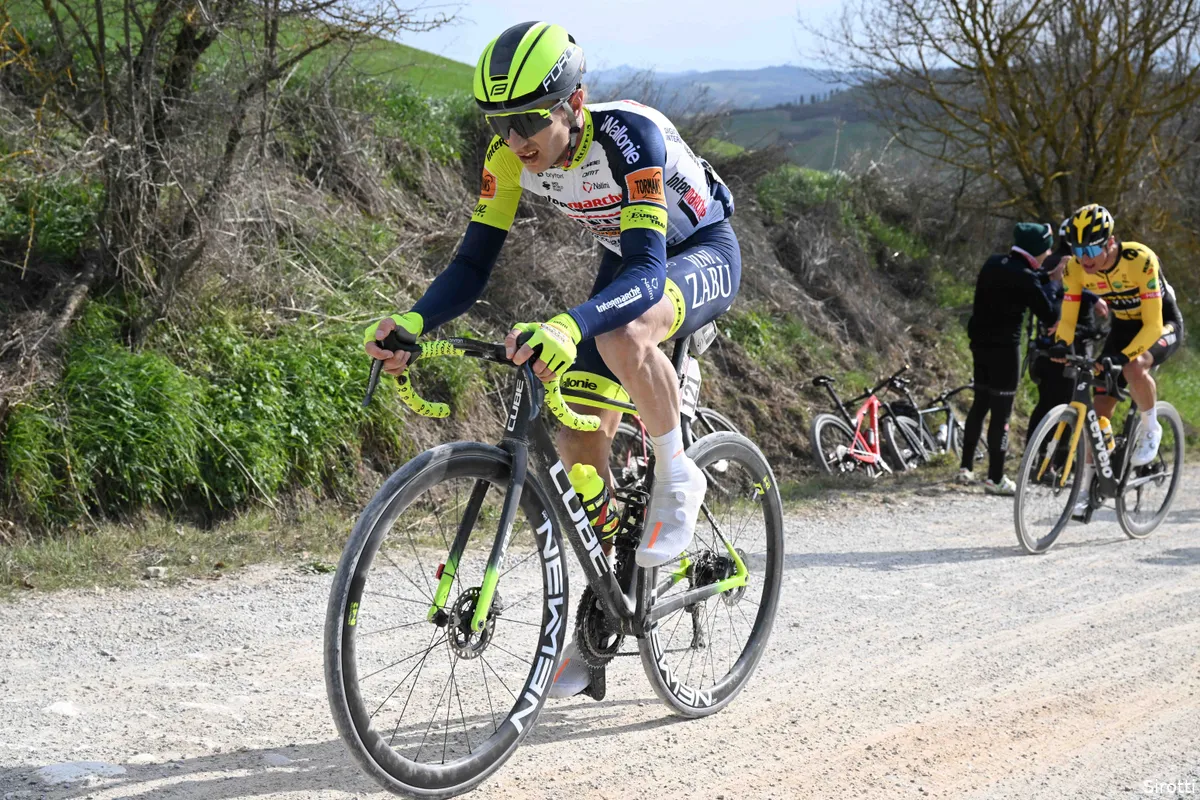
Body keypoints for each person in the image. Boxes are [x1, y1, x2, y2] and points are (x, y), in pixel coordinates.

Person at [362, 22, 741, 699]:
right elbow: (474, 261)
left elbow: (651, 274)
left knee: (621, 336)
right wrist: (416, 321)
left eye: (529, 118)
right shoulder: (509, 159)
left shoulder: (630, 139)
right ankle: (605, 602)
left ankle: (679, 474)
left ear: (574, 101)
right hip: (629, 260)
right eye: (500, 122)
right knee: (574, 438)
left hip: (697, 250)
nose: (515, 138)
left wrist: (569, 325)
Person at [1053, 204, 1184, 512]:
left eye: (1092, 249)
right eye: (1078, 249)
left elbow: (1152, 325)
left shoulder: (1139, 259)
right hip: (1123, 328)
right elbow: (1068, 318)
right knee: (1097, 408)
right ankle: (1086, 487)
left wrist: (1123, 358)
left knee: (1135, 365)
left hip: (1161, 323)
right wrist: (1060, 343)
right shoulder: (1074, 269)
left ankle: (1151, 427)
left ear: (1110, 242)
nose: (1085, 258)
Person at [958, 222, 1059, 495]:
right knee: (1002, 413)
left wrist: (1044, 277)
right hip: (1005, 351)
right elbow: (1048, 313)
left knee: (980, 404)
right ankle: (996, 477)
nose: (1049, 252)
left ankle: (965, 467)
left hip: (980, 345)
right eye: (1046, 247)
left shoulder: (994, 263)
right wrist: (1055, 279)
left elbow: (1021, 285)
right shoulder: (1026, 276)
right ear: (1035, 249)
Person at [1026, 219, 1108, 438]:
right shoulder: (1080, 264)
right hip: (1074, 349)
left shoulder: (1049, 262)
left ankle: (1036, 459)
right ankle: (1062, 461)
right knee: (1073, 405)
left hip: (1044, 348)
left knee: (1045, 405)